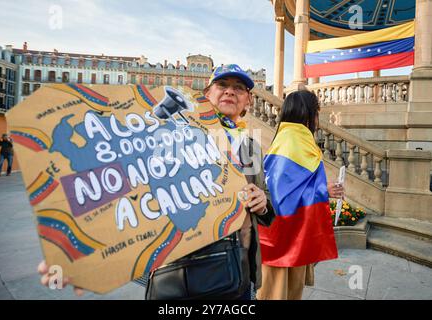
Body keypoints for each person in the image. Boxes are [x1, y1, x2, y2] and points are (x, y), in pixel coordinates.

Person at [38, 64, 275, 299]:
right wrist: (78, 253)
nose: (230, 91)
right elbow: (125, 189)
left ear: (248, 101)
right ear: (206, 95)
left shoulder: (250, 146)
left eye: (239, 88)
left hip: (238, 273)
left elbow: (266, 204)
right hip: (181, 274)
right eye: (222, 85)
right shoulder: (170, 134)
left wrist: (263, 203)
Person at [256, 90, 343, 300]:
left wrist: (323, 189)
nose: (317, 120)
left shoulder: (293, 137)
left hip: (292, 234)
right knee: (278, 293)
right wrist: (323, 191)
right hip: (283, 237)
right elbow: (281, 195)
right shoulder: (292, 139)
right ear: (307, 112)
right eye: (316, 113)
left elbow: (294, 185)